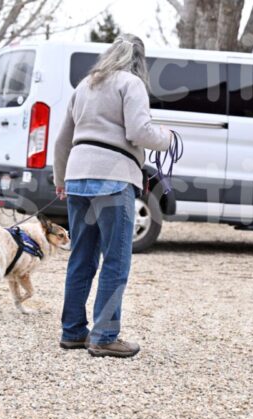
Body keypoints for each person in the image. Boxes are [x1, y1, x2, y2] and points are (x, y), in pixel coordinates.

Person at [53, 34, 172, 358]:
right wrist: (166, 138)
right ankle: (105, 336)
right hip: (114, 177)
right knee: (116, 261)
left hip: (77, 176)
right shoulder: (131, 84)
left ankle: (72, 332)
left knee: (81, 258)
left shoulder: (84, 85)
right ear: (139, 60)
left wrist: (61, 180)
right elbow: (139, 131)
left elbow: (62, 139)